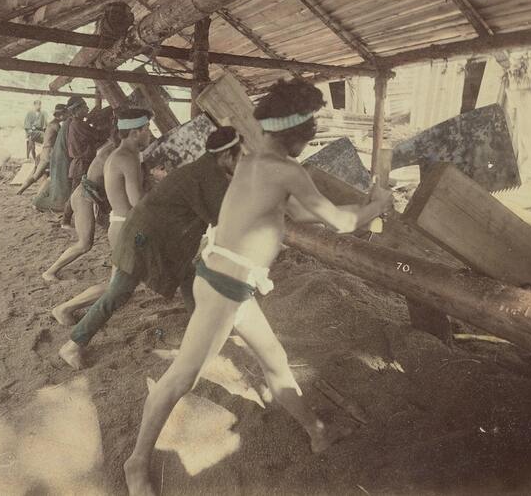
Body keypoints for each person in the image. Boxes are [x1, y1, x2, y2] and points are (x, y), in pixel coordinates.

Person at [123, 79, 394, 496]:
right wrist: (377, 204)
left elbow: (295, 213)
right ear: (297, 134)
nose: (307, 143)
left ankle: (317, 431)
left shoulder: (250, 162)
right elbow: (340, 223)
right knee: (181, 378)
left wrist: (364, 206)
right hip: (225, 288)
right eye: (307, 136)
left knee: (275, 359)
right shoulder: (287, 170)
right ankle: (136, 463)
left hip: (224, 281)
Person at [56, 127, 243, 370]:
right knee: (119, 292)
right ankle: (73, 344)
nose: (239, 162)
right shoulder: (210, 177)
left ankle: (203, 331)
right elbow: (224, 220)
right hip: (143, 239)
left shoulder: (202, 169)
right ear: (227, 155)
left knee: (188, 275)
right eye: (239, 157)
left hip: (151, 235)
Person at [42, 108, 152, 282]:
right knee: (85, 243)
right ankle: (50, 271)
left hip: (92, 195)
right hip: (85, 196)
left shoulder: (116, 150)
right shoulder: (116, 153)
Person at [61, 97, 106, 228]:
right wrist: (111, 128)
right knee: (75, 193)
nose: (87, 108)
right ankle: (65, 220)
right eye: (84, 107)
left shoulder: (78, 123)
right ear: (77, 110)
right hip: (80, 165)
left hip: (83, 163)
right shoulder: (78, 124)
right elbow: (96, 135)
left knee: (91, 191)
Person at [17, 103, 67, 195]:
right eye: (66, 114)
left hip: (45, 152)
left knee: (36, 174)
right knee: (40, 176)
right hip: (50, 153)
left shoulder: (51, 124)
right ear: (60, 115)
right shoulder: (56, 126)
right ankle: (32, 193)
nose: (67, 116)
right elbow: (62, 139)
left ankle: (21, 190)